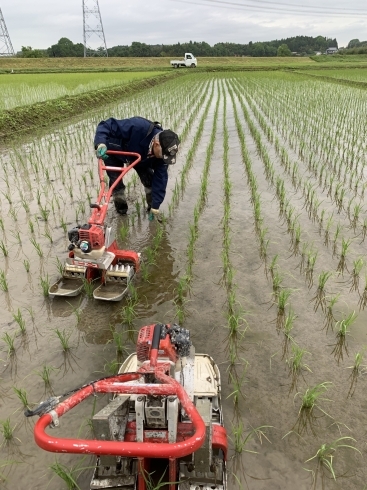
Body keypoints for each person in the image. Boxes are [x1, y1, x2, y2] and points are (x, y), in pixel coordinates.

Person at [94, 116, 180, 219]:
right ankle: (122, 211)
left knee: (150, 180)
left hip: (140, 157)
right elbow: (106, 125)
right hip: (114, 151)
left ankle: (150, 207)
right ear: (156, 144)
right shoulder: (138, 127)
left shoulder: (163, 155)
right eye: (163, 155)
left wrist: (155, 206)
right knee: (116, 181)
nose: (163, 159)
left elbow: (160, 179)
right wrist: (100, 143)